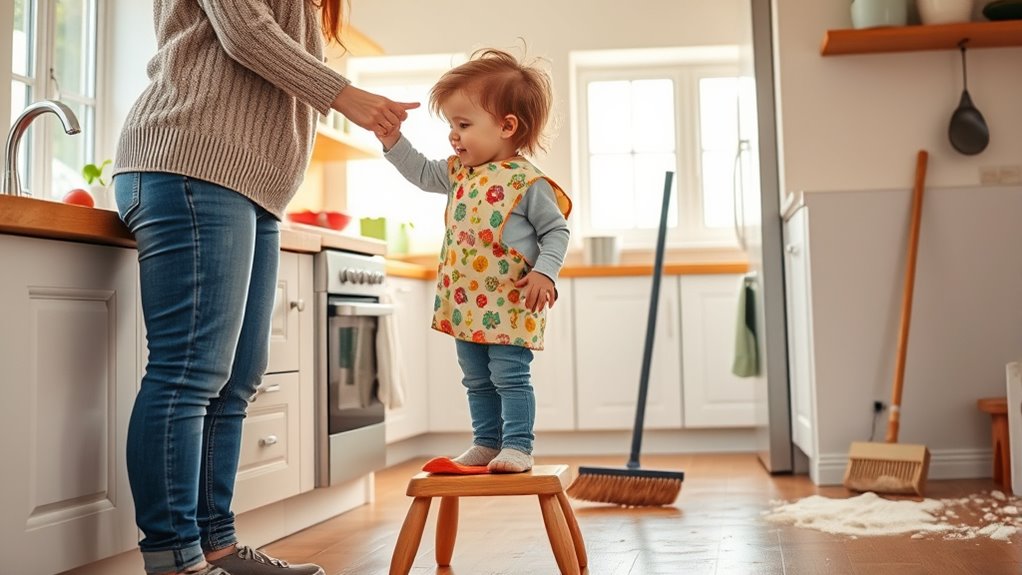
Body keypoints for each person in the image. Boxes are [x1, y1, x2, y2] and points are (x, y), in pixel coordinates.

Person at [111, 2, 417, 575]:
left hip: (255, 184)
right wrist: (348, 97)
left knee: (238, 379)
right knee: (188, 372)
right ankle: (175, 558)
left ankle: (217, 546)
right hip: (191, 159)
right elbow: (245, 33)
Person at [377, 48, 571, 474]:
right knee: (476, 380)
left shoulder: (528, 183)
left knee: (510, 378)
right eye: (451, 125)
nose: (453, 135)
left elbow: (556, 231)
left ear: (507, 126)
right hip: (465, 300)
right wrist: (393, 140)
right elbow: (420, 171)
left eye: (463, 125)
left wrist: (545, 272)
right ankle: (486, 443)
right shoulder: (456, 172)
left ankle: (517, 446)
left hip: (509, 300)